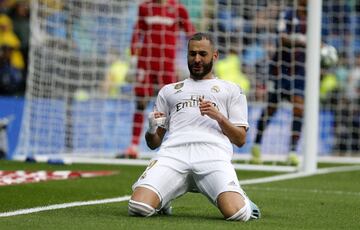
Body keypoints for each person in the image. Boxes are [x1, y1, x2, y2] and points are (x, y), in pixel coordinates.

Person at [127, 32, 261, 221]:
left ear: (215, 56)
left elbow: (240, 139)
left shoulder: (232, 89)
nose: (197, 59)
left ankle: (243, 199)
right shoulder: (169, 91)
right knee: (138, 207)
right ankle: (162, 201)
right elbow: (153, 143)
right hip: (173, 155)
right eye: (192, 54)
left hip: (212, 155)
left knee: (238, 213)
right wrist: (150, 129)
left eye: (202, 54)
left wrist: (219, 117)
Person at [120, 0, 196, 158]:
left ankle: (173, 144)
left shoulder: (178, 9)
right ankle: (133, 146)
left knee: (171, 104)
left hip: (166, 65)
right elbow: (137, 32)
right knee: (140, 101)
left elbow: (190, 33)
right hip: (145, 63)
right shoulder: (144, 7)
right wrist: (134, 56)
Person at [251, 0, 307, 165]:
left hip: (300, 71)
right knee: (271, 108)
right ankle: (257, 145)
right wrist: (302, 41)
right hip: (280, 69)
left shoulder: (314, 19)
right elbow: (281, 38)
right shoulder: (288, 15)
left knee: (299, 107)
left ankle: (292, 151)